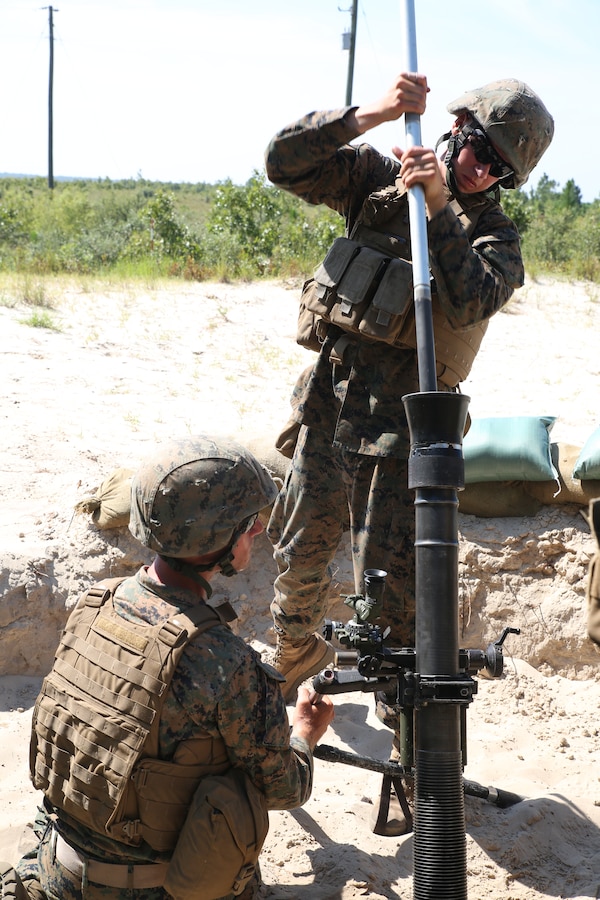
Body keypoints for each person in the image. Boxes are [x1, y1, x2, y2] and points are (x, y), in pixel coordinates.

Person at [264, 73, 554, 705]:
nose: (483, 175)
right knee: (300, 556)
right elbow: (282, 163)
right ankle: (291, 664)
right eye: (480, 154)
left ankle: (412, 740)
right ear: (457, 128)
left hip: (406, 438)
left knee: (398, 600)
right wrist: (373, 113)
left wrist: (441, 205)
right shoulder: (377, 183)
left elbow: (472, 294)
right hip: (330, 409)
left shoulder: (496, 240)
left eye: (500, 173)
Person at [6, 436, 334, 900]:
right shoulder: (226, 662)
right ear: (216, 543)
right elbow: (284, 788)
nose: (257, 532)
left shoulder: (93, 605)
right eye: (247, 524)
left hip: (56, 866)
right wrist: (304, 732)